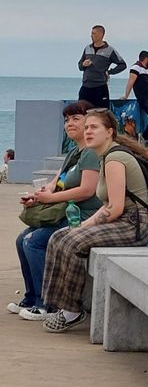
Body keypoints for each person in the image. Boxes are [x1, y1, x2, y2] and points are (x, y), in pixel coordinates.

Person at [41, 109, 148, 333]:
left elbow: (114, 208)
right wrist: (82, 226)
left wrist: (82, 230)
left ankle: (72, 311)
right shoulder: (105, 157)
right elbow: (108, 206)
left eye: (94, 127)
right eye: (87, 128)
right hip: (122, 221)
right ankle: (55, 304)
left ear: (109, 132)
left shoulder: (115, 159)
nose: (88, 131)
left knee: (72, 242)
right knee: (58, 237)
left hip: (135, 225)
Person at [8, 102, 102, 320]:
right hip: (67, 212)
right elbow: (57, 181)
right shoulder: (74, 152)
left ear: (90, 123)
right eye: (67, 119)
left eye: (76, 119)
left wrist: (51, 198)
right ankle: (32, 298)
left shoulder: (90, 153)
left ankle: (47, 304)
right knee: (21, 239)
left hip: (84, 217)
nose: (70, 124)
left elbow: (86, 190)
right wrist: (41, 194)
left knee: (33, 241)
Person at [78, 25, 126, 107]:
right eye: (91, 33)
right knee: (82, 113)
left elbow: (122, 65)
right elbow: (79, 66)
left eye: (94, 33)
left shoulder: (110, 50)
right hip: (86, 86)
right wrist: (83, 64)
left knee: (102, 114)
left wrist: (109, 72)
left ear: (101, 35)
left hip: (100, 87)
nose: (91, 35)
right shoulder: (87, 48)